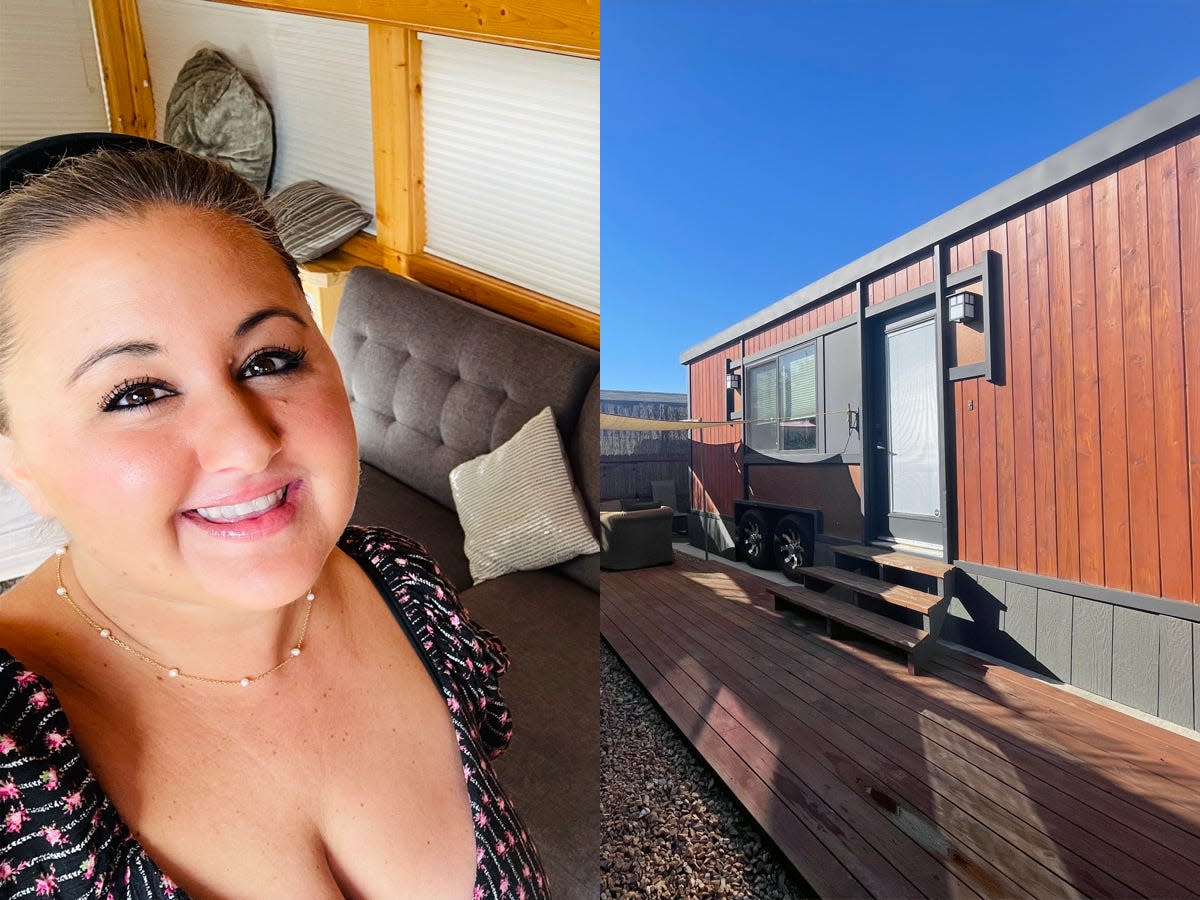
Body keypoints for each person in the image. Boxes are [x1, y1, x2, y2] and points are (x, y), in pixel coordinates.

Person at [0, 141, 546, 898]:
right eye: (134, 393)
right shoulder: (15, 771)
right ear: (16, 459)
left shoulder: (406, 590)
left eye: (268, 360)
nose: (247, 444)